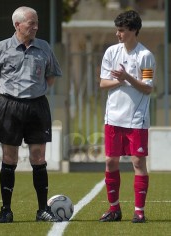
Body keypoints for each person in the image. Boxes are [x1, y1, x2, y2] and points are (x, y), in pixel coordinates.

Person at [0, 6, 62, 223]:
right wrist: (11, 97)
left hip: (38, 107)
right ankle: (6, 210)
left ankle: (43, 209)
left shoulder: (44, 47)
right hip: (10, 107)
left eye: (36, 22)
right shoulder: (1, 48)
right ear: (17, 25)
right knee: (9, 158)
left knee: (38, 157)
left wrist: (35, 92)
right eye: (31, 23)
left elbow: (51, 76)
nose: (35, 26)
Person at [99, 10, 156, 223]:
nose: (117, 34)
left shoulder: (145, 56)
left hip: (136, 119)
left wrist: (127, 77)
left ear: (133, 30)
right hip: (113, 117)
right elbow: (103, 83)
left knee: (138, 162)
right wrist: (120, 81)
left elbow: (148, 88)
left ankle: (139, 211)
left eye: (121, 30)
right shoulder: (111, 53)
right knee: (110, 161)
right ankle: (114, 209)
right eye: (117, 29)